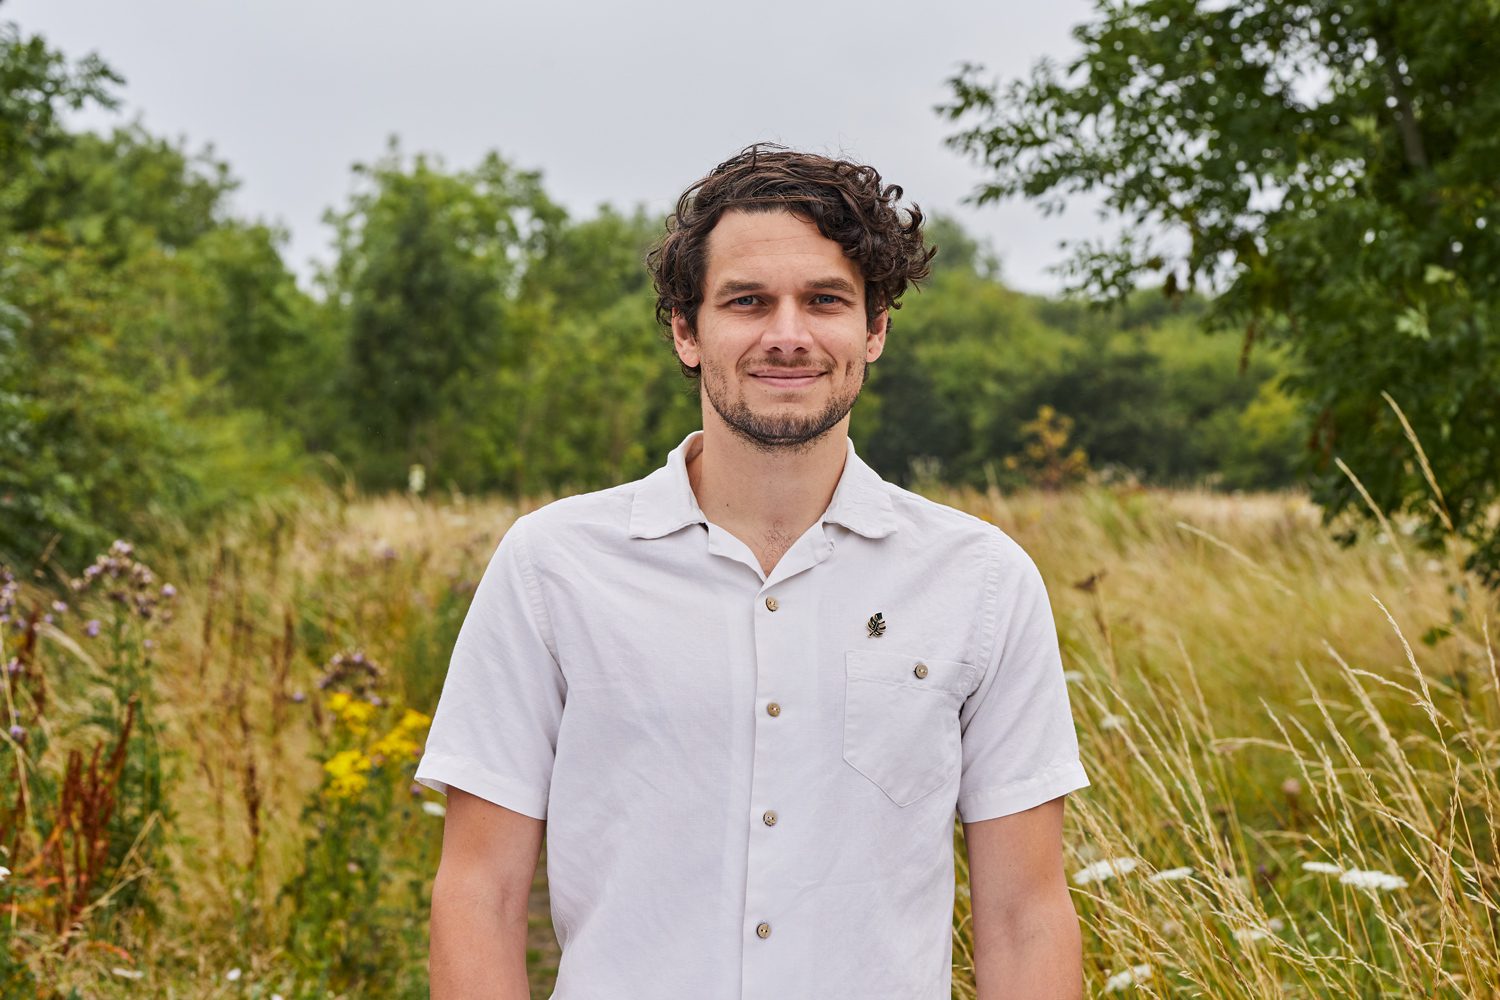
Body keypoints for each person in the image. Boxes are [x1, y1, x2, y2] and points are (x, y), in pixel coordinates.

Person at [416, 143, 1090, 999]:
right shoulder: (553, 567)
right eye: (746, 301)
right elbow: (480, 891)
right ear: (686, 330)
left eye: (825, 300)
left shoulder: (982, 582)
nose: (787, 335)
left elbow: (1025, 915)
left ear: (875, 328)